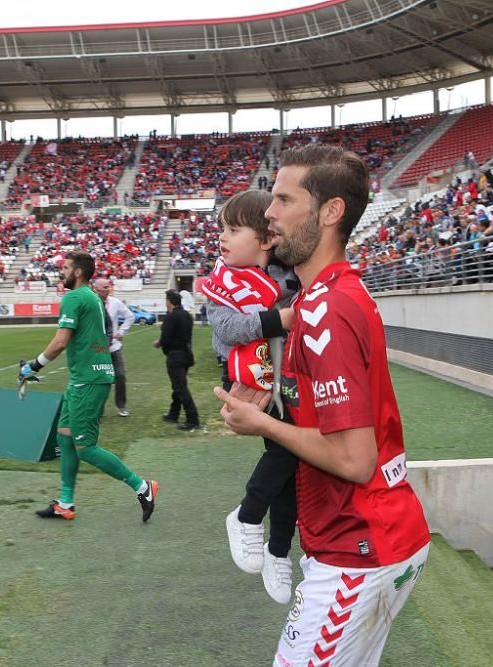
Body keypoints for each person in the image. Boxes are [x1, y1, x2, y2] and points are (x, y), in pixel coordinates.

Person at [216, 144, 430, 666]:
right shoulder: (325, 297)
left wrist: (258, 424)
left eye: (284, 200)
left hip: (359, 546)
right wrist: (270, 404)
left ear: (330, 212)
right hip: (365, 540)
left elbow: (355, 460)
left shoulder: (327, 309)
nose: (269, 212)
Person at [200, 190, 300, 604]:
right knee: (287, 452)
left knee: (293, 460)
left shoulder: (288, 271)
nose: (222, 237)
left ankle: (277, 550)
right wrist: (283, 318)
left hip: (287, 373)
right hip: (251, 375)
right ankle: (247, 517)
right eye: (222, 228)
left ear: (266, 239)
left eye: (233, 229)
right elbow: (229, 329)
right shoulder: (222, 280)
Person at [18, 252, 158, 522]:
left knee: (86, 448)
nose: (62, 273)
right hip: (86, 376)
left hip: (88, 379)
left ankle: (143, 487)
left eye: (66, 268)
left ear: (78, 272)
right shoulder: (92, 296)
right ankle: (65, 503)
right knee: (65, 437)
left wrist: (33, 366)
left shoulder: (73, 297)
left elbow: (60, 342)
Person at [155, 289, 200, 430]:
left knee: (180, 388)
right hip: (186, 354)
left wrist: (159, 343)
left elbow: (166, 339)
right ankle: (173, 414)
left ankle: (193, 419)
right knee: (178, 386)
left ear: (169, 302)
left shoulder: (171, 317)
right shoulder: (186, 315)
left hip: (175, 356)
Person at [92, 278, 133, 417]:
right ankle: (98, 409)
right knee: (100, 379)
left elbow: (130, 316)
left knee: (120, 375)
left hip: (114, 347)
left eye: (108, 286)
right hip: (97, 349)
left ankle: (121, 406)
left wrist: (121, 332)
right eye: (105, 287)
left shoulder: (115, 303)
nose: (108, 289)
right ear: (96, 289)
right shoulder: (91, 304)